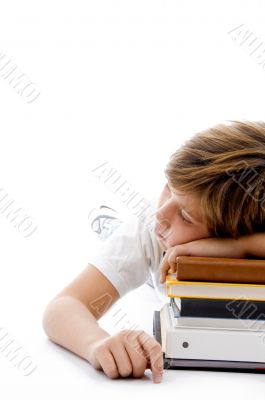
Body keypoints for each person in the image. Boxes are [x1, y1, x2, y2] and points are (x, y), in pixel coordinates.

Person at [42, 120, 265, 384]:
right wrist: (96, 344)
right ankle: (107, 224)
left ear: (229, 232)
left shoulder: (242, 231)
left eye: (186, 216)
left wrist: (239, 247)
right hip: (152, 260)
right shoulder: (151, 225)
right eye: (169, 188)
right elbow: (62, 307)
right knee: (134, 250)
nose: (162, 214)